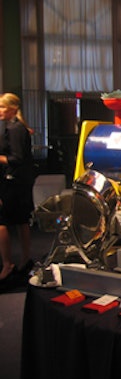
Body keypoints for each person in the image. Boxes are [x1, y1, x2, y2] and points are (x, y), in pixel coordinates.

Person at [0, 93, 34, 281]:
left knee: (3, 222)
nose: (0, 111)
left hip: (14, 182)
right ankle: (24, 259)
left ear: (13, 108)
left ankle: (7, 264)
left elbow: (16, 159)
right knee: (21, 221)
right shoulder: (16, 127)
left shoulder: (15, 128)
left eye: (2, 107)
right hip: (18, 181)